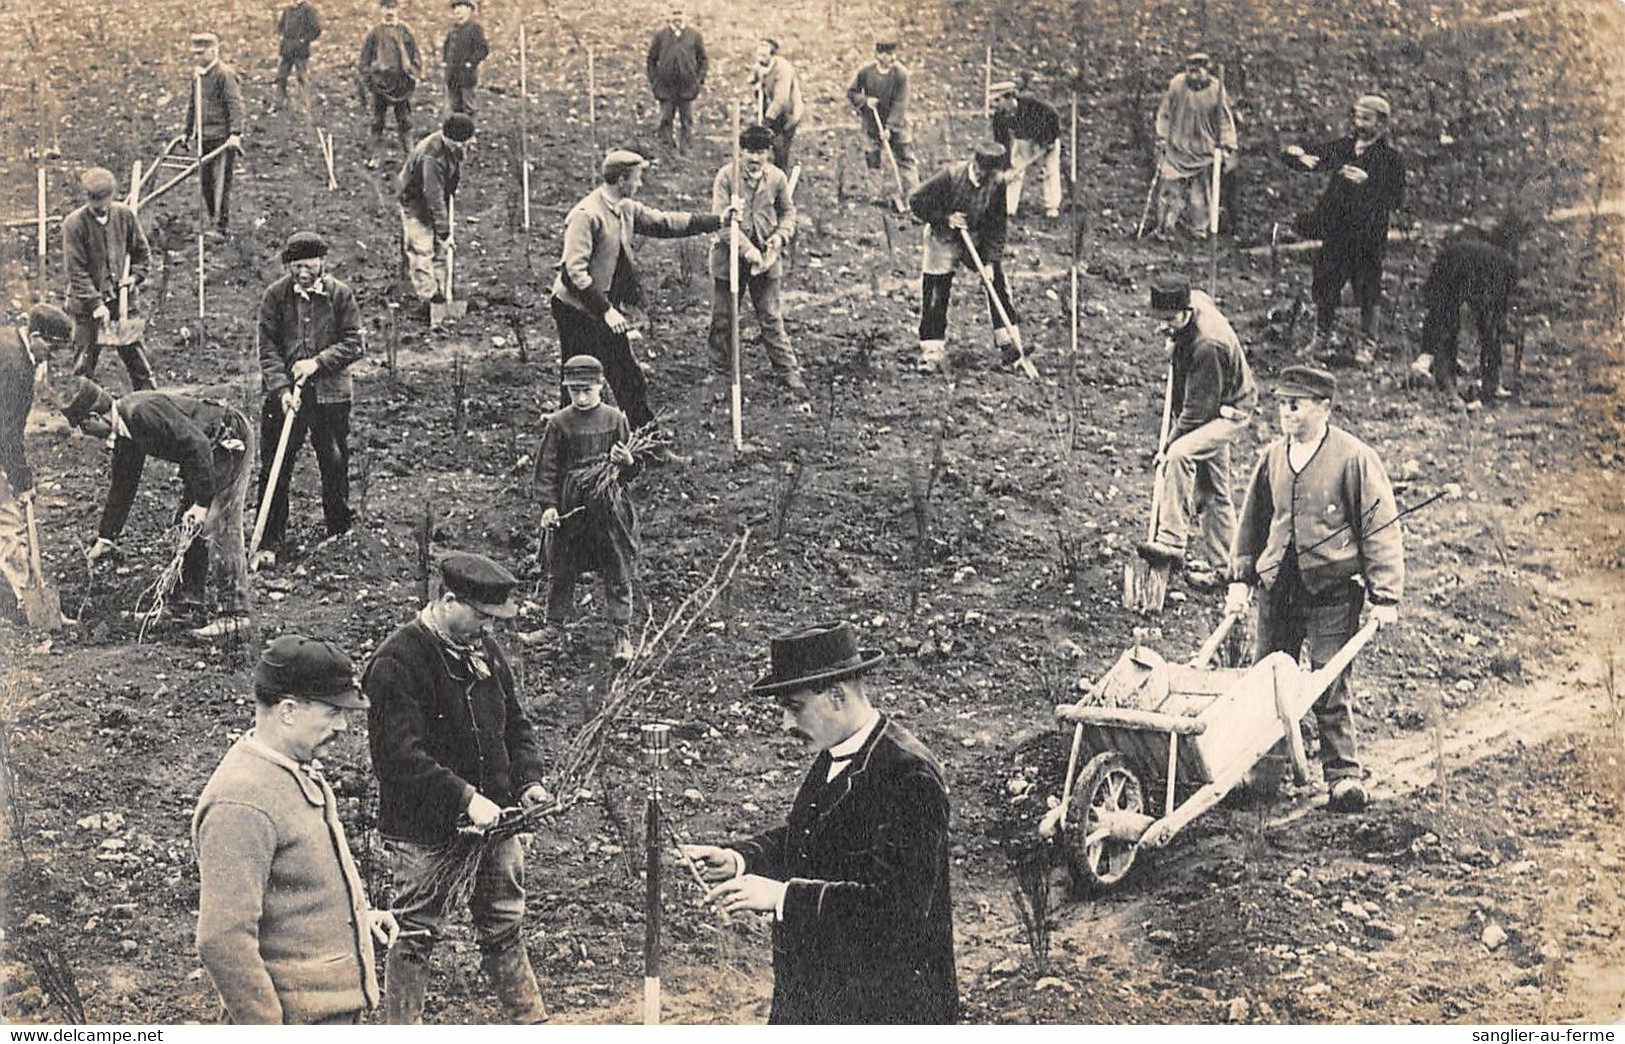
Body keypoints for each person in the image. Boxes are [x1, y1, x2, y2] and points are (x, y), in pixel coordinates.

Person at [679, 621, 958, 1024]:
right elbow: (810, 838)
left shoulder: (909, 776)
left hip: (886, 1010)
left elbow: (898, 911)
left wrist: (783, 898)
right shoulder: (836, 752)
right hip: (817, 999)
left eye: (794, 708)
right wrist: (739, 859)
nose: (785, 726)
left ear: (838, 696)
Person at [363, 551, 551, 1024]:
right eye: (482, 616)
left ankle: (532, 1024)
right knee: (414, 936)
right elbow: (398, 758)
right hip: (425, 833)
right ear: (448, 601)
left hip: (496, 826)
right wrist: (466, 800)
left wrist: (528, 782)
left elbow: (517, 726)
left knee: (505, 926)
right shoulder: (396, 661)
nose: (489, 628)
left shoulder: (483, 650)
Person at [1225, 365, 1404, 813]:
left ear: (1324, 407)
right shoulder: (1272, 456)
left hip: (1331, 589)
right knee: (1267, 679)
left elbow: (1380, 526)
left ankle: (1343, 777)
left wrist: (1385, 596)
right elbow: (1253, 522)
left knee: (1328, 681)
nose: (1287, 413)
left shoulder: (1353, 458)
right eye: (1283, 404)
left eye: (1296, 404)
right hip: (1278, 586)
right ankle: (1263, 774)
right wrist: (1241, 579)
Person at [193, 635, 399, 1024]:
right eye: (332, 712)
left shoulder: (290, 770)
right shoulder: (241, 802)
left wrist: (356, 918)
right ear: (287, 711)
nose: (342, 726)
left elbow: (294, 890)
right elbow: (223, 939)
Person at [551, 149, 726, 432]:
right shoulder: (586, 215)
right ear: (622, 180)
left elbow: (665, 223)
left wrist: (718, 221)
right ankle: (569, 445)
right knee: (579, 376)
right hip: (576, 309)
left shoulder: (625, 208)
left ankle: (646, 443)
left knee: (627, 376)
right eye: (637, 178)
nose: (640, 184)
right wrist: (606, 311)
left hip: (601, 306)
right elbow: (574, 273)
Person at [64, 378, 254, 639]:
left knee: (217, 523)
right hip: (203, 451)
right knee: (186, 526)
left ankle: (234, 613)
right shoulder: (126, 429)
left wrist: (201, 503)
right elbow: (123, 486)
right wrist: (106, 538)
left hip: (226, 439)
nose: (84, 435)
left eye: (83, 427)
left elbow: (196, 443)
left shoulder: (141, 412)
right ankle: (184, 606)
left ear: (95, 417)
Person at [1135, 276, 1257, 588]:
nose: (1163, 326)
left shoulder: (1208, 346)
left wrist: (1166, 446)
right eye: (1159, 320)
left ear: (1186, 311)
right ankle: (1228, 570)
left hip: (1229, 410)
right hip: (1212, 399)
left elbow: (1197, 414)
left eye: (1169, 321)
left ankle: (1171, 543)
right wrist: (1175, 342)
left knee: (1178, 455)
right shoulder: (1196, 301)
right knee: (1213, 490)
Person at [254, 232, 363, 570]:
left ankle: (339, 531)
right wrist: (282, 390)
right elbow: (268, 348)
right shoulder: (275, 297)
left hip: (330, 397)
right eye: (295, 265)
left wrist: (317, 363)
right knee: (276, 466)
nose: (302, 272)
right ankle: (269, 540)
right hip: (285, 396)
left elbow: (354, 344)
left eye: (308, 264)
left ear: (322, 262)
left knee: (333, 461)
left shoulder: (340, 296)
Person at [531, 355, 642, 663]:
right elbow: (547, 470)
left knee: (616, 566)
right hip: (572, 507)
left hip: (607, 508)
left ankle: (622, 632)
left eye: (587, 390)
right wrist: (549, 507)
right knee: (562, 567)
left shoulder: (615, 419)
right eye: (574, 390)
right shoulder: (559, 423)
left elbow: (630, 473)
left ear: (600, 386)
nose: (580, 397)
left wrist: (627, 463)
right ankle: (554, 626)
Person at [1282, 94, 1405, 364]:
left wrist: (1369, 183)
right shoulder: (1345, 147)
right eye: (1357, 116)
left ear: (1382, 124)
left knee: (1366, 287)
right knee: (1326, 281)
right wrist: (1296, 156)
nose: (1359, 123)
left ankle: (1367, 343)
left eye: (1366, 118)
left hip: (1367, 235)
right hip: (1336, 231)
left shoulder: (1390, 159)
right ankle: (1322, 337)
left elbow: (1396, 199)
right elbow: (1314, 156)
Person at [908, 142, 1021, 374]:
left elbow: (998, 226)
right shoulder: (950, 176)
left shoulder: (997, 184)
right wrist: (945, 218)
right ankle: (931, 350)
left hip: (975, 236)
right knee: (937, 289)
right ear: (975, 164)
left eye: (990, 175)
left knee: (996, 281)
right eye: (981, 171)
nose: (983, 178)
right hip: (943, 236)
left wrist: (989, 260)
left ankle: (1009, 342)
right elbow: (916, 201)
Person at [708, 124, 804, 393]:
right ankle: (719, 374)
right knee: (723, 319)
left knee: (771, 318)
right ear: (741, 151)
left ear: (768, 153)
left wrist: (779, 238)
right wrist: (749, 252)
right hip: (730, 260)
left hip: (767, 258)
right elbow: (722, 222)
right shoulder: (727, 177)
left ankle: (788, 372)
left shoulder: (777, 178)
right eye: (749, 151)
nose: (754, 158)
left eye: (760, 152)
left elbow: (788, 212)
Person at [1414, 213, 1530, 403]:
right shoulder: (1507, 266)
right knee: (1460, 327)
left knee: (1446, 325)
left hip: (1449, 264)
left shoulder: (1491, 257)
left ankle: (1447, 381)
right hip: (1457, 271)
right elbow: (1493, 317)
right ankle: (1478, 385)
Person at [61, 167, 155, 391]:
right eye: (95, 202)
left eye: (104, 201)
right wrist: (96, 304)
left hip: (122, 302)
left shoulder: (124, 216)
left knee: (138, 362)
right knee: (84, 366)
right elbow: (76, 271)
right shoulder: (74, 224)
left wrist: (134, 277)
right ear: (87, 198)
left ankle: (151, 407)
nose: (100, 207)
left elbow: (142, 253)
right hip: (86, 306)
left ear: (112, 196)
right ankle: (80, 416)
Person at [1152, 53, 1237, 241]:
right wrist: (1162, 137)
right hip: (1177, 147)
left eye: (1198, 71)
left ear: (1207, 71)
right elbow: (1165, 112)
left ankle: (1198, 230)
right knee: (1169, 190)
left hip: (1204, 151)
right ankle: (1165, 227)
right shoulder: (1176, 85)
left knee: (1201, 197)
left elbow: (1224, 120)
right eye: (1190, 70)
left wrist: (1227, 147)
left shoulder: (1217, 90)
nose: (1194, 75)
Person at [399, 113, 474, 317]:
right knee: (421, 250)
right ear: (453, 141)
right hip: (414, 200)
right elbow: (432, 196)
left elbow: (442, 188)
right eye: (466, 142)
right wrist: (444, 231)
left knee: (441, 250)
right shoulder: (431, 158)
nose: (470, 144)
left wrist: (443, 232)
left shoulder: (454, 148)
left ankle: (442, 292)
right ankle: (429, 300)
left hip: (438, 195)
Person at [1, 305, 73, 499]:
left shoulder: (9, 338)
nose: (54, 355)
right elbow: (8, 431)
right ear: (35, 336)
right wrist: (22, 483)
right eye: (53, 347)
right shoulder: (16, 367)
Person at [183, 33, 246, 237]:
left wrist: (235, 133)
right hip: (204, 136)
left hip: (222, 138)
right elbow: (193, 105)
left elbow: (234, 104)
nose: (198, 58)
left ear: (214, 51)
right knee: (205, 182)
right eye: (195, 54)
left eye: (201, 53)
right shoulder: (198, 76)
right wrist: (187, 131)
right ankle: (212, 220)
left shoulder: (224, 74)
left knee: (221, 184)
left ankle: (221, 227)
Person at [846, 41, 919, 201]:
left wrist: (890, 127)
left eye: (893, 53)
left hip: (898, 124)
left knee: (905, 159)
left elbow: (900, 102)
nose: (892, 57)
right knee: (872, 159)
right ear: (878, 55)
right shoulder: (866, 72)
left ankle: (913, 196)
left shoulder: (901, 74)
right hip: (872, 123)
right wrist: (865, 100)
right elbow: (852, 92)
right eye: (887, 54)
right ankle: (876, 195)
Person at [988, 80, 1061, 219]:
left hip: (1046, 137)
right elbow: (1001, 143)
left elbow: (1053, 115)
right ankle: (1009, 209)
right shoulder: (999, 117)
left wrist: (1050, 140)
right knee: (1015, 169)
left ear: (1009, 98)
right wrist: (1005, 163)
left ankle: (1052, 208)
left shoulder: (1031, 103)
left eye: (998, 100)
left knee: (1050, 170)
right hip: (1023, 140)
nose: (994, 105)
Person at [359, 0, 422, 152]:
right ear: (381, 9)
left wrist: (414, 74)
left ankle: (410, 156)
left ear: (397, 9)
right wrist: (369, 78)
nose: (389, 12)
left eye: (392, 8)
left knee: (405, 121)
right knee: (377, 121)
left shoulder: (405, 31)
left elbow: (415, 55)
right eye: (386, 8)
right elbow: (364, 59)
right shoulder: (375, 33)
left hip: (401, 83)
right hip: (380, 84)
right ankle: (373, 155)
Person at [646, 7, 707, 153]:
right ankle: (666, 151)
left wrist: (698, 81)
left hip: (687, 86)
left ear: (685, 15)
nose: (677, 17)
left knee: (687, 120)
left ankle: (686, 150)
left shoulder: (694, 36)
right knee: (665, 119)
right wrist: (654, 82)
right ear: (668, 16)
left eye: (680, 13)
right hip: (666, 87)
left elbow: (703, 60)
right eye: (674, 13)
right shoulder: (660, 36)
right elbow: (651, 60)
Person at [749, 38, 803, 172]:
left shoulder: (783, 69)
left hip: (788, 112)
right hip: (772, 110)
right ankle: (766, 173)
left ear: (772, 54)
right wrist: (755, 82)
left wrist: (767, 119)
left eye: (765, 50)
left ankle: (781, 177)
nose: (760, 56)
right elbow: (754, 76)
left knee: (780, 148)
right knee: (767, 143)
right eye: (759, 50)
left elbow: (781, 99)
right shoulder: (761, 65)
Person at [442, 0, 489, 115]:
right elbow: (446, 48)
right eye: (455, 8)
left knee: (469, 107)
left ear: (469, 10)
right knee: (453, 108)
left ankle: (470, 131)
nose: (458, 11)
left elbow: (483, 49)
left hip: (466, 76)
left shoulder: (474, 29)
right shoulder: (452, 30)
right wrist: (445, 62)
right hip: (452, 76)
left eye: (461, 7)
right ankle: (456, 132)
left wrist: (471, 63)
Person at [273, 0, 323, 106]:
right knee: (281, 77)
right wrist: (282, 36)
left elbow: (317, 29)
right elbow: (280, 26)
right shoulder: (287, 10)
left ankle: (304, 104)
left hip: (300, 51)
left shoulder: (307, 9)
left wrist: (305, 40)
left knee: (302, 77)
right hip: (287, 50)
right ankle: (279, 103)